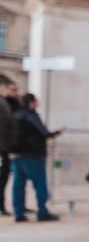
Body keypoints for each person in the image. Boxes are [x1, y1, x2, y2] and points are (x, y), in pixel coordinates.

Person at [8, 93, 62, 222]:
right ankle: (42, 212)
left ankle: (18, 213)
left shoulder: (15, 115)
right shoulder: (31, 116)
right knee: (39, 184)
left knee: (18, 185)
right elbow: (44, 133)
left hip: (16, 155)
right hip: (32, 155)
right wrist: (56, 133)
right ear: (31, 103)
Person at [0, 76, 20, 216]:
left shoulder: (8, 103)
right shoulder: (2, 103)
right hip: (2, 148)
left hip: (5, 148)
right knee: (2, 177)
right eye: (12, 90)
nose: (15, 93)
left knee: (4, 177)